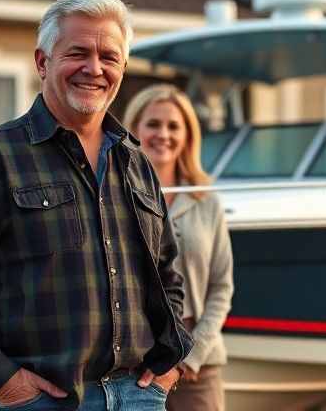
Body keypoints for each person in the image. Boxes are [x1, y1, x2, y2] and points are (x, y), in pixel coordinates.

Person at [0, 0, 192, 411]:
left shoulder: (136, 161)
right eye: (77, 52)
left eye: (109, 57)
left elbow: (167, 273)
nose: (94, 68)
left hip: (139, 397)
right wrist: (0, 378)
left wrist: (167, 363)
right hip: (40, 401)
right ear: (43, 62)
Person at [123, 85, 233, 411]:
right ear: (135, 130)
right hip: (132, 361)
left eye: (174, 126)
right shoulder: (115, 195)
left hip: (199, 364)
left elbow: (222, 287)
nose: (164, 134)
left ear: (188, 135)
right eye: (153, 124)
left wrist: (188, 358)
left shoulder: (207, 200)